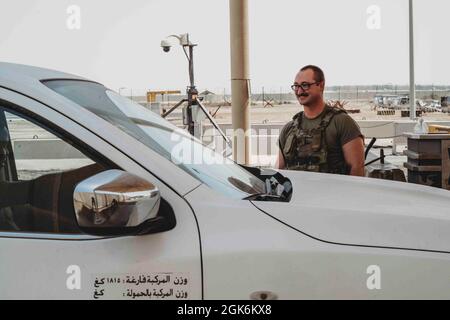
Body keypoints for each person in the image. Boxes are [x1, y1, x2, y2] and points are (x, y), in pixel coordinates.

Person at [277, 65, 365, 176]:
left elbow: (357, 169)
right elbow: (280, 170)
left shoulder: (342, 123)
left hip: (333, 192)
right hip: (298, 192)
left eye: (305, 85)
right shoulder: (289, 129)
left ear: (321, 85)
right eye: (296, 86)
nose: (299, 91)